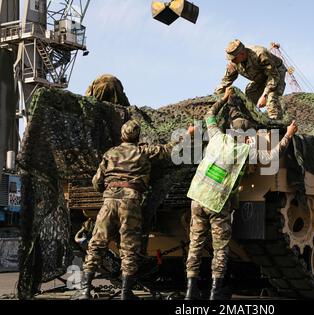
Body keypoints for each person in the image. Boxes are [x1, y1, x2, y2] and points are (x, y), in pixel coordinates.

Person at [185, 87, 298, 300]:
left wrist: (224, 99)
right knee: (220, 249)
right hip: (218, 203)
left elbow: (209, 115)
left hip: (197, 197)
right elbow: (273, 155)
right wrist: (289, 135)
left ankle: (190, 290)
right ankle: (215, 293)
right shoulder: (245, 151)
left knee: (196, 244)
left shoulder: (217, 136)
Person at [74, 119, 195, 300]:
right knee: (129, 248)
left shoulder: (110, 153)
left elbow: (96, 181)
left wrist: (108, 191)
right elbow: (168, 149)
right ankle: (125, 292)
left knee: (96, 245)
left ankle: (85, 291)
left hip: (109, 201)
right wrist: (188, 134)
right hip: (130, 202)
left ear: (122, 135)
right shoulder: (143, 151)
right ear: (137, 136)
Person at [215, 39, 287, 120]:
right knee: (248, 97)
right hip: (260, 77)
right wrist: (216, 98)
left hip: (276, 73)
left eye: (234, 58)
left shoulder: (260, 53)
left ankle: (276, 129)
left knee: (271, 99)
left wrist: (264, 95)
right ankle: (252, 123)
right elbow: (225, 81)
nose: (232, 61)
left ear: (242, 54)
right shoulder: (234, 63)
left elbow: (273, 76)